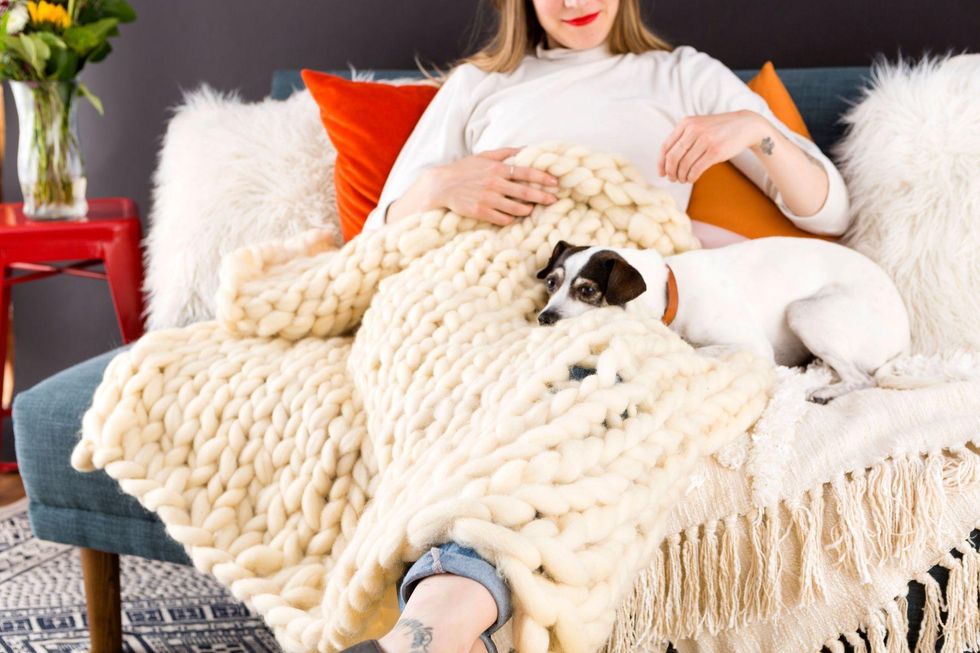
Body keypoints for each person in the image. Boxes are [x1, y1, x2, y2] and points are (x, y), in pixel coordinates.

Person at [347, 1, 852, 652]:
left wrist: (755, 130)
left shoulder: (679, 76)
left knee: (565, 402)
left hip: (618, 305)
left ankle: (438, 619)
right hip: (494, 299)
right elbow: (370, 240)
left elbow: (828, 213)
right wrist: (440, 186)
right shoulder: (481, 86)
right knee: (485, 390)